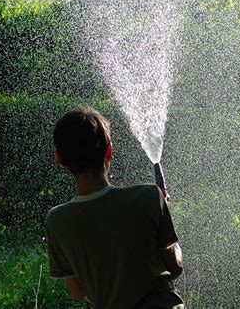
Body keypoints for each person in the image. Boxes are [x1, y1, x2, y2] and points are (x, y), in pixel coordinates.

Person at [45, 106, 184, 308]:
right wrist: (164, 212)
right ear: (109, 151)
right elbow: (175, 267)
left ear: (59, 158)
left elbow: (77, 292)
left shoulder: (57, 220)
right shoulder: (148, 197)